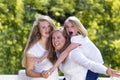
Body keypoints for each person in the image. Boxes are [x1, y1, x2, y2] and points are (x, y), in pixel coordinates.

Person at [42, 29, 120, 80]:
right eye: (53, 38)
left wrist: (106, 71)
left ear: (66, 39)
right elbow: (49, 68)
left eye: (58, 37)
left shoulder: (73, 53)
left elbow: (90, 64)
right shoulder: (58, 53)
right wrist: (45, 73)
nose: (55, 41)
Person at [21, 15, 59, 80]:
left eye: (48, 26)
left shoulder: (55, 43)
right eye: (43, 27)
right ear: (38, 30)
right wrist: (41, 75)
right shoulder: (33, 49)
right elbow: (28, 71)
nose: (47, 29)